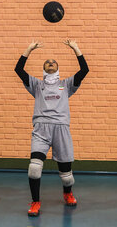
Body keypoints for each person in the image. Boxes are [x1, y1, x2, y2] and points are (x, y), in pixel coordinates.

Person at [15, 39, 89, 216]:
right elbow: (18, 70)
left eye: (53, 62)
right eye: (47, 62)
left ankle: (68, 193)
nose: (50, 62)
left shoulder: (67, 84)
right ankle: (35, 202)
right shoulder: (36, 85)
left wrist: (75, 48)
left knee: (67, 176)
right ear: (43, 69)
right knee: (34, 168)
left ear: (57, 68)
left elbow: (84, 70)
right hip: (41, 130)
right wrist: (29, 49)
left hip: (61, 129)